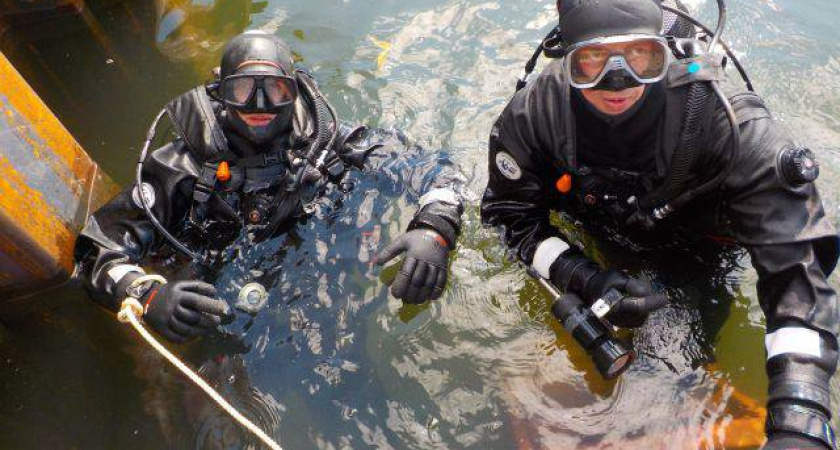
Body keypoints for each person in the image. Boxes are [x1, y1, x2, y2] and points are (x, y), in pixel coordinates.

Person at [480, 0, 839, 449]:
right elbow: (509, 217)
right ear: (564, 55)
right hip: (592, 230)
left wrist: (800, 416)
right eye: (591, 60)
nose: (617, 80)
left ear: (665, 51)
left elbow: (795, 271)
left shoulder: (726, 123)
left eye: (640, 56)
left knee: (670, 374)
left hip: (695, 246)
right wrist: (583, 276)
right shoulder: (534, 116)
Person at [74, 30, 464, 344]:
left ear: (294, 89)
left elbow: (434, 169)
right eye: (243, 89)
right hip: (217, 311)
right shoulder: (181, 166)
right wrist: (147, 295)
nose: (259, 105)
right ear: (220, 91)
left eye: (275, 90)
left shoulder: (330, 144)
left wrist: (434, 229)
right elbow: (97, 247)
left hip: (312, 293)